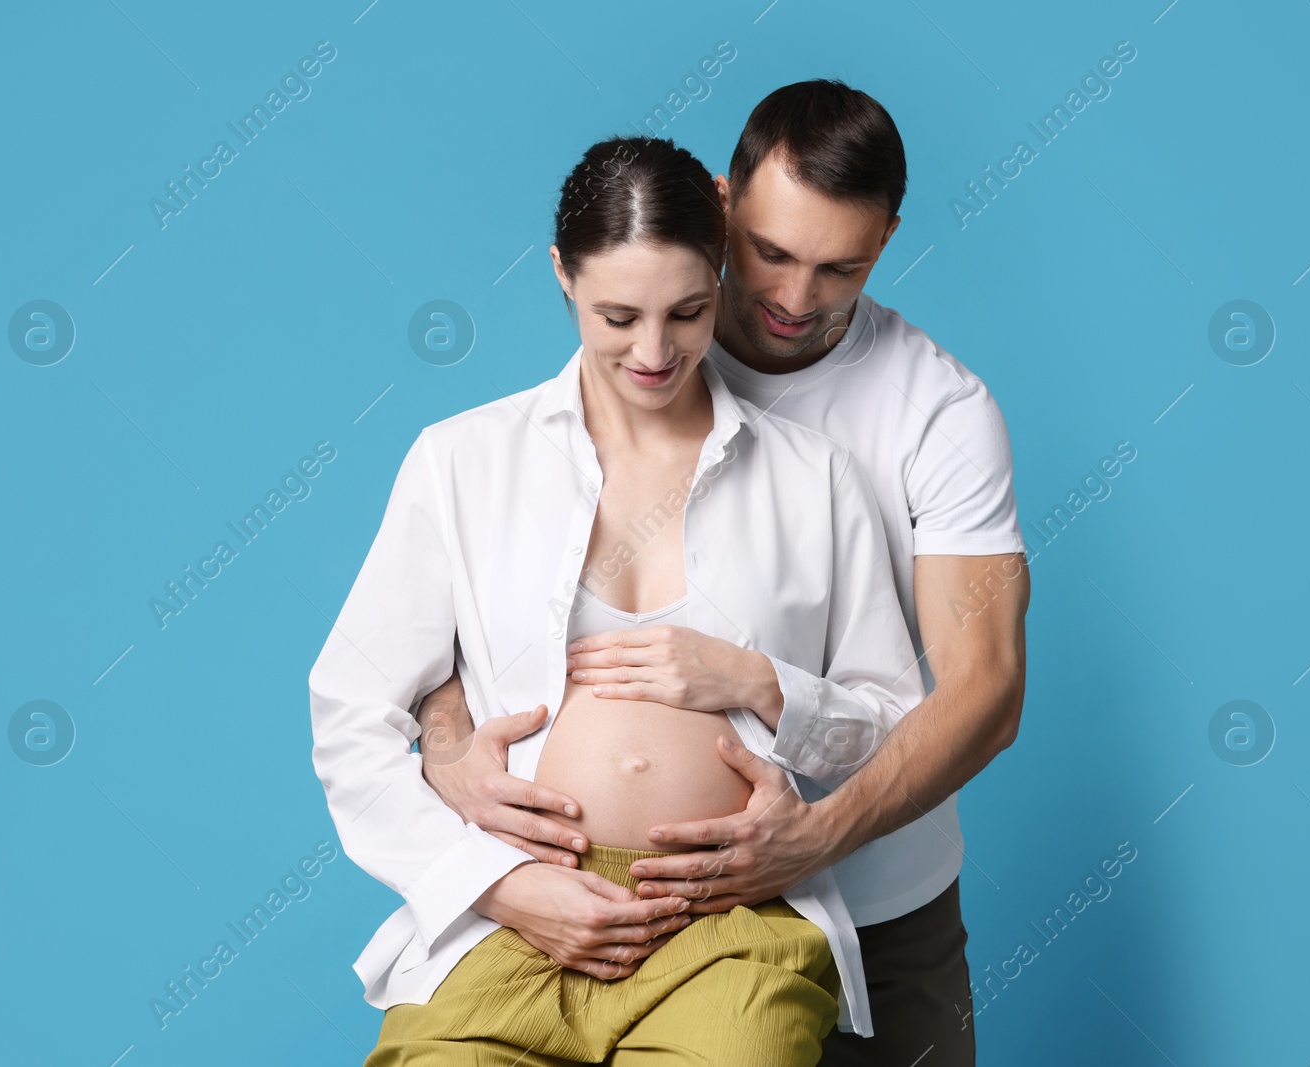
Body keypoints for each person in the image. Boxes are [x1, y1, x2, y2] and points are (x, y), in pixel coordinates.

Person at [419, 81, 1031, 1066]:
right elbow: (456, 599)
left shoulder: (939, 411)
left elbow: (985, 689)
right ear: (719, 204)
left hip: (879, 894)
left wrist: (816, 834)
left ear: (887, 240)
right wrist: (449, 750)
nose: (794, 298)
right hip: (634, 908)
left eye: (840, 267)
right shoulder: (651, 344)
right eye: (771, 254)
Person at [309, 135, 927, 1065]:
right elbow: (350, 712)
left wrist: (766, 684)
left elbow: (897, 726)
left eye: (687, 311)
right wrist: (495, 883)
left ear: (721, 269)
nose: (654, 351)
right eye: (617, 315)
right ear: (560, 274)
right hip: (512, 914)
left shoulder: (814, 479)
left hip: (726, 925)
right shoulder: (462, 461)